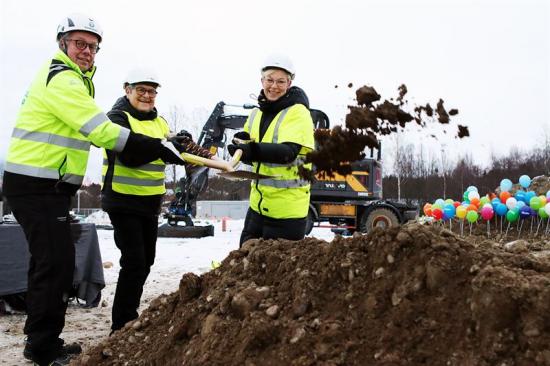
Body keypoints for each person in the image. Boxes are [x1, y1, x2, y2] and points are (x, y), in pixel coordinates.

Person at [2, 14, 186, 366]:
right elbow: (103, 132)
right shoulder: (63, 79)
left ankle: (41, 341)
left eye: (92, 46)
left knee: (49, 262)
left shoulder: (73, 79)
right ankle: (42, 348)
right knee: (55, 264)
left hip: (46, 186)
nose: (86, 51)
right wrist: (158, 147)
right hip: (35, 184)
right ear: (63, 44)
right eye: (79, 44)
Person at [101, 68, 212, 333]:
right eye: (141, 90)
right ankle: (122, 324)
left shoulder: (159, 121)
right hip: (122, 200)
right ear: (127, 89)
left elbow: (164, 139)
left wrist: (178, 141)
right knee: (134, 260)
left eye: (152, 91)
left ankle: (129, 314)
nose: (147, 96)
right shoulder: (116, 118)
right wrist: (164, 147)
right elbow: (130, 153)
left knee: (146, 260)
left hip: (149, 203)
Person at [227, 54, 315, 246]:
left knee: (277, 274)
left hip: (286, 214)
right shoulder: (256, 113)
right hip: (257, 208)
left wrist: (250, 150)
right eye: (270, 80)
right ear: (262, 80)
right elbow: (255, 156)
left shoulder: (298, 112)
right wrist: (240, 146)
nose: (274, 86)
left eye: (281, 81)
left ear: (289, 83)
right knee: (243, 265)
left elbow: (287, 153)